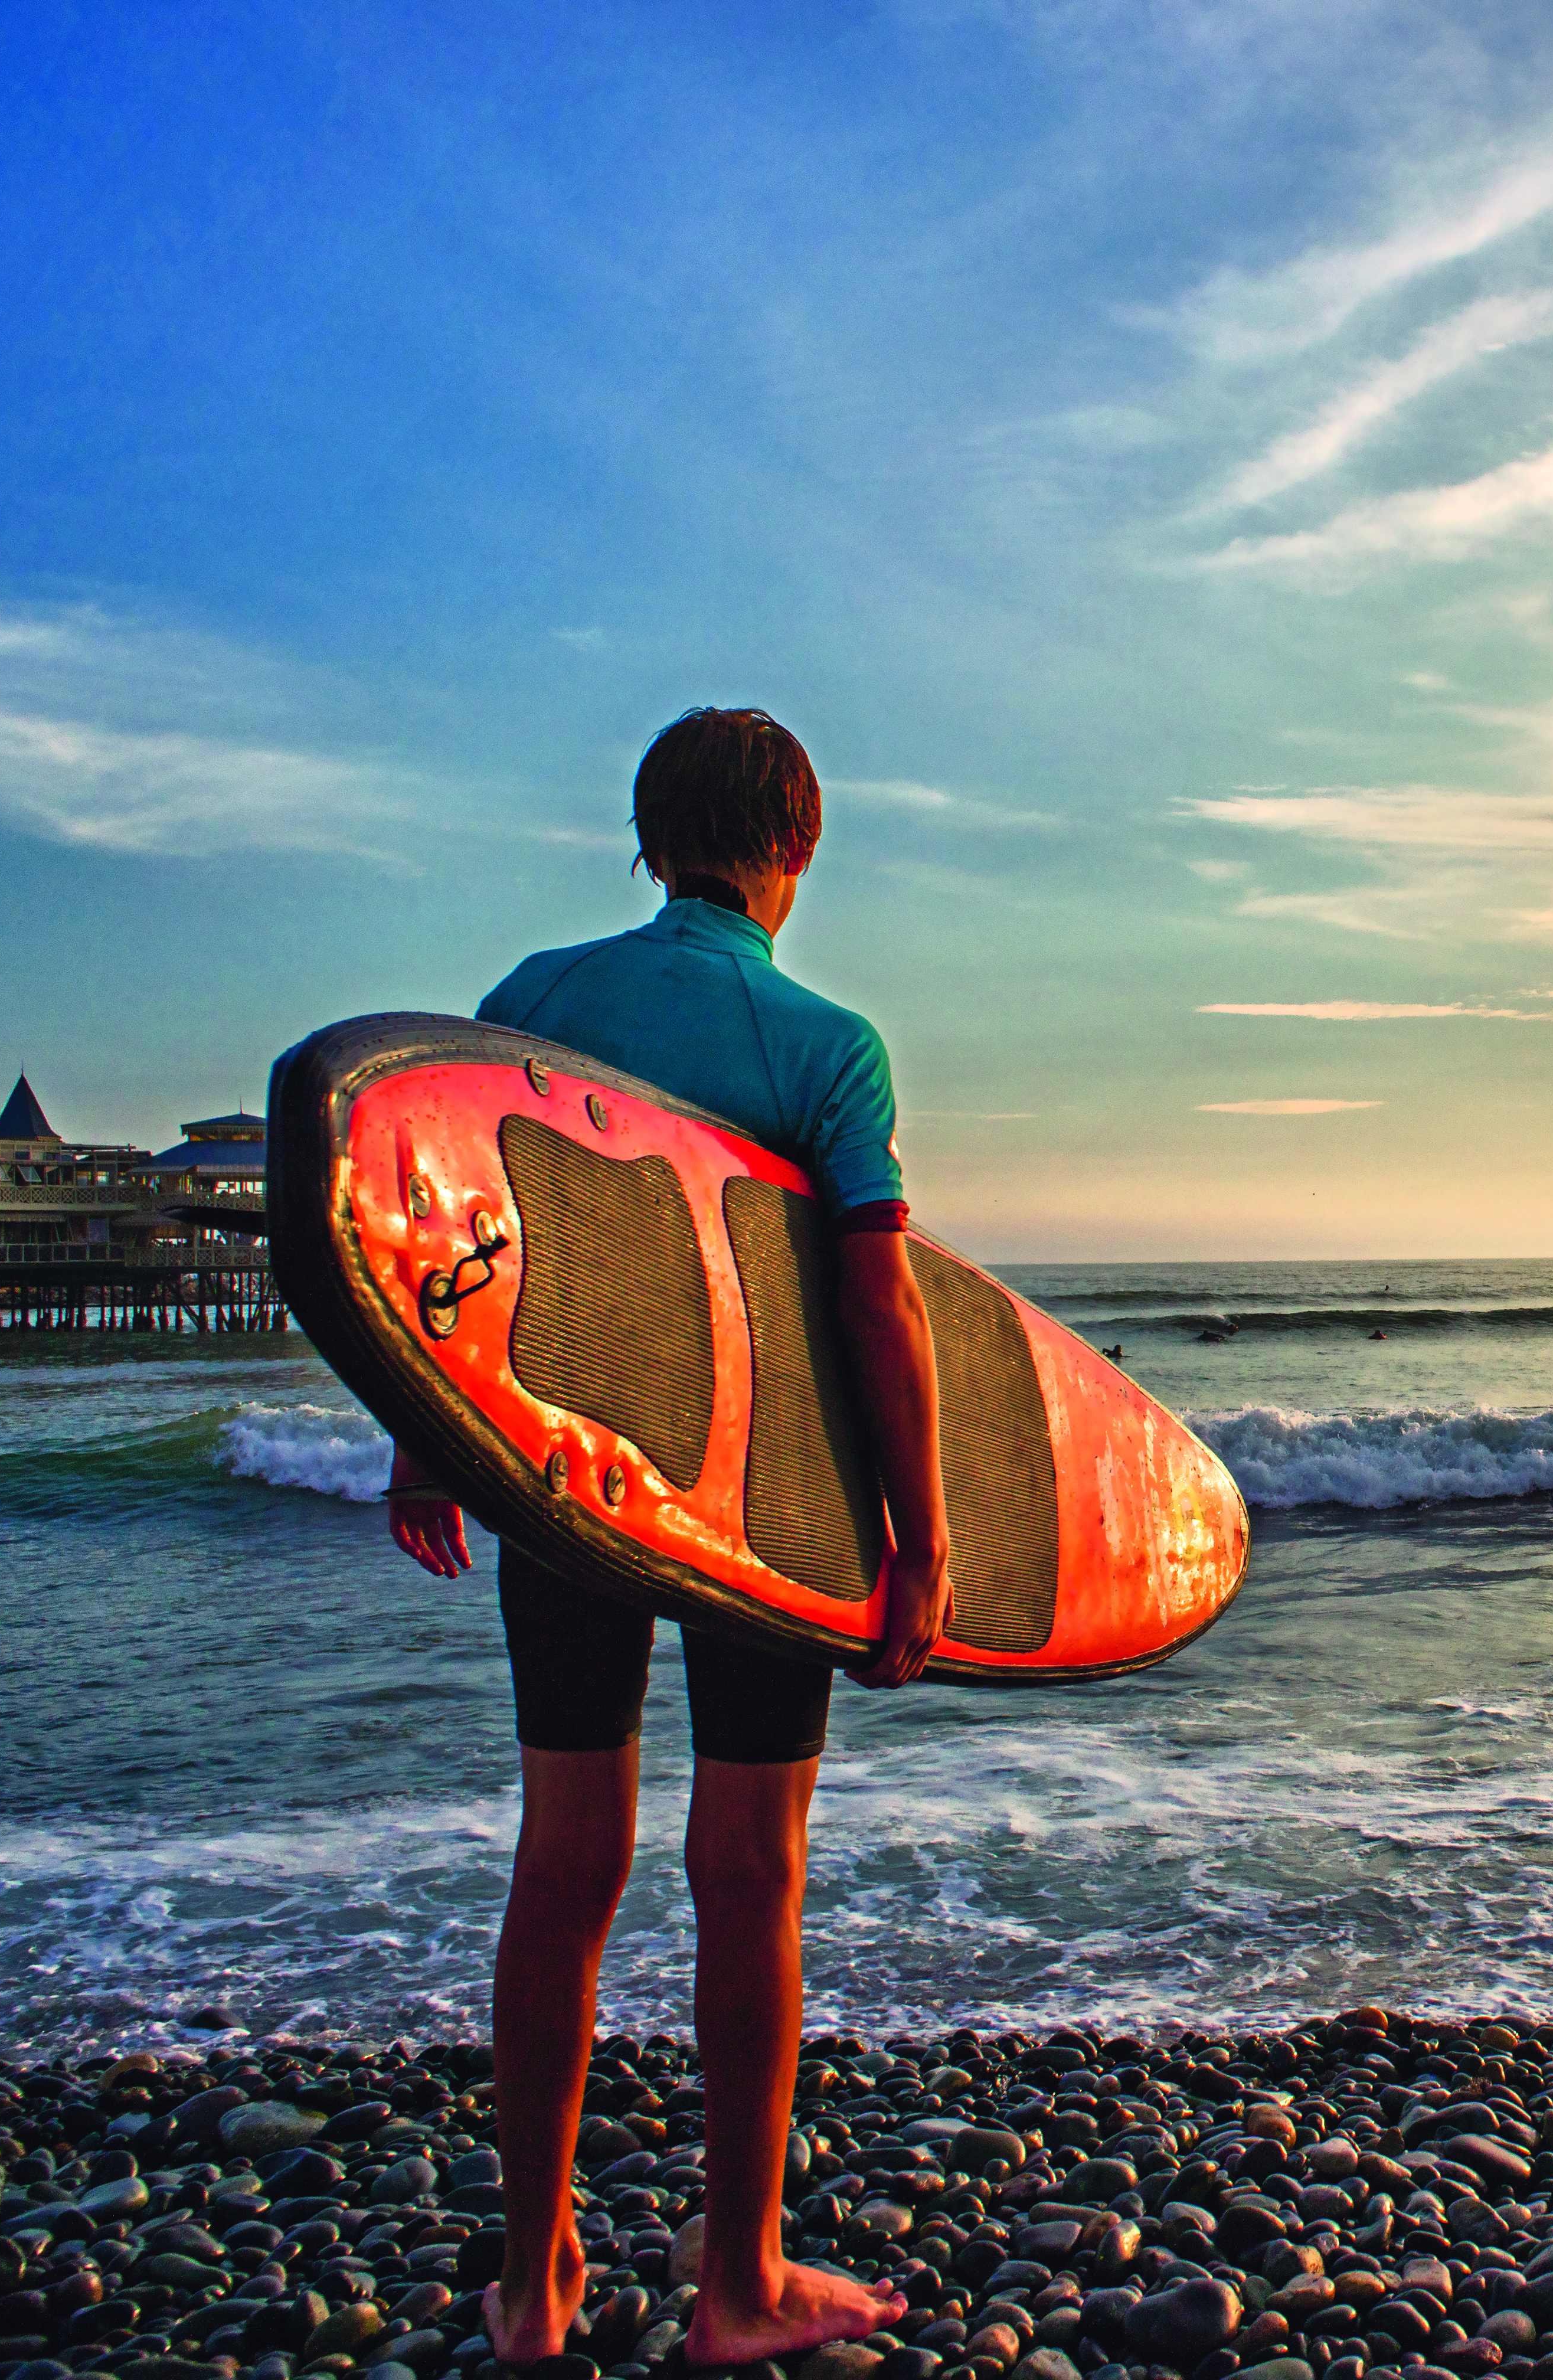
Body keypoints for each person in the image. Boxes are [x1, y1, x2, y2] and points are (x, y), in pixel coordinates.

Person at [383, 708, 951, 2371]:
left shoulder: (534, 1002)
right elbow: (874, 1297)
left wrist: (432, 1435)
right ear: (801, 850)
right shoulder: (825, 1042)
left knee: (566, 1859)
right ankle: (740, 2283)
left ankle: (535, 2278)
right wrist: (917, 1535)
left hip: (567, 1477)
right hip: (765, 1507)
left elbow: (448, 1230)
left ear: (649, 841)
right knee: (747, 1870)